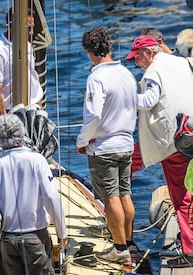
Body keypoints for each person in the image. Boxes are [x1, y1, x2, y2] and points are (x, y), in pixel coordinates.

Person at [126, 35, 193, 268]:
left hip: (173, 141)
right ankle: (192, 244)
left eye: (137, 58)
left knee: (122, 164)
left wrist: (121, 97)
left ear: (149, 53)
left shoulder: (153, 72)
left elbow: (148, 100)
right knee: (188, 192)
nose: (137, 64)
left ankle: (121, 231)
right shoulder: (178, 62)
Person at [0, 114, 67, 275]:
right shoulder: (37, 160)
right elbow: (51, 196)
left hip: (7, 239)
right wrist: (61, 232)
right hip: (35, 236)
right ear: (23, 135)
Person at [76, 25, 138, 266]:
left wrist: (82, 142)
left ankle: (120, 249)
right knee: (125, 194)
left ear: (90, 52)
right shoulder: (126, 74)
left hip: (105, 148)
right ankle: (129, 243)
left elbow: (93, 115)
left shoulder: (97, 77)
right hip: (126, 143)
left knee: (111, 198)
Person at [0, 8, 44, 116]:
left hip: (36, 109)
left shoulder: (27, 45)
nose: (31, 32)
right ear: (13, 26)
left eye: (32, 27)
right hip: (12, 113)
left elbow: (33, 79)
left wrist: (40, 108)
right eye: (28, 28)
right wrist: (5, 121)